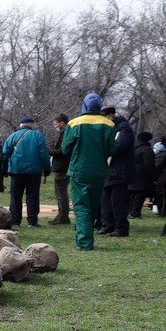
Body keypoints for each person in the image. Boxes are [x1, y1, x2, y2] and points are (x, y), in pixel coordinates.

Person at [62, 92, 116, 251]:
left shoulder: (74, 123)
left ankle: (84, 242)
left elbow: (65, 149)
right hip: (99, 171)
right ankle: (84, 236)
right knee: (93, 205)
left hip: (79, 170)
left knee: (81, 206)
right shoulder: (108, 124)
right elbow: (112, 149)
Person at [3, 116, 51, 227]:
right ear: (31, 124)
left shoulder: (12, 136)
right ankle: (32, 221)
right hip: (34, 171)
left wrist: (4, 170)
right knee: (32, 196)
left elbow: (5, 154)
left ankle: (15, 220)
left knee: (15, 197)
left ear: (21, 125)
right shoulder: (37, 135)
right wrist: (47, 169)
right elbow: (44, 154)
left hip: (16, 171)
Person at [98, 106, 134, 237]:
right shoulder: (109, 128)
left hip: (120, 170)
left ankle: (121, 228)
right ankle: (107, 225)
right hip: (109, 170)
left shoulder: (124, 128)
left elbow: (119, 147)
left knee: (118, 202)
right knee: (106, 201)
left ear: (110, 116)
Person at [47, 113, 71, 224]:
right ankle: (61, 214)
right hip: (60, 166)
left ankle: (64, 216)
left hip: (63, 166)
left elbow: (62, 151)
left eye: (56, 124)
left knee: (61, 193)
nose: (55, 126)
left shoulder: (65, 133)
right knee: (59, 193)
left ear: (62, 123)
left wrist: (49, 150)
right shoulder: (62, 133)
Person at [127, 131, 157, 219]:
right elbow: (150, 164)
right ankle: (135, 213)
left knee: (132, 195)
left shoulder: (133, 149)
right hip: (142, 176)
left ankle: (130, 211)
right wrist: (154, 176)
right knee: (139, 195)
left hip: (131, 174)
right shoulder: (146, 150)